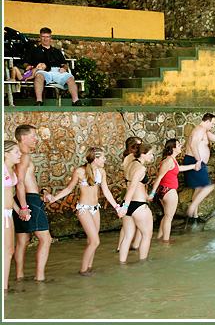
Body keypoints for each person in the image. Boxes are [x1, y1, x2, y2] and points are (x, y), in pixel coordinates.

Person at [45, 147, 125, 276]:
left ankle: (89, 267)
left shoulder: (101, 171)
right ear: (95, 159)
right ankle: (83, 270)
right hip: (83, 209)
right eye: (103, 157)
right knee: (95, 242)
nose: (105, 159)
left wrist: (117, 208)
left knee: (91, 241)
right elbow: (69, 188)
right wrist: (54, 198)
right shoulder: (80, 171)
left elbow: (106, 191)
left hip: (95, 208)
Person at [12, 125, 53, 281]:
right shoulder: (23, 156)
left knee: (23, 240)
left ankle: (19, 277)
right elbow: (20, 183)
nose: (37, 139)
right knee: (46, 239)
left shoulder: (18, 156)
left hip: (23, 198)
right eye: (34, 136)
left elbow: (25, 182)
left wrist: (43, 192)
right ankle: (40, 278)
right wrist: (24, 207)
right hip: (28, 200)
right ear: (24, 138)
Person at [182, 113, 215, 225]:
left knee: (198, 188)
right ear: (207, 121)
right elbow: (193, 145)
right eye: (212, 123)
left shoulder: (204, 131)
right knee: (209, 187)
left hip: (195, 161)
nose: (213, 126)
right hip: (194, 160)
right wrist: (198, 160)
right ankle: (191, 208)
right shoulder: (199, 130)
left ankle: (194, 217)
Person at [148, 139, 197, 242]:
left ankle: (159, 237)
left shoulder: (171, 160)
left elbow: (179, 169)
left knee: (166, 216)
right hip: (168, 191)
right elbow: (159, 177)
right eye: (178, 145)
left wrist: (194, 166)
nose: (180, 147)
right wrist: (152, 193)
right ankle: (166, 241)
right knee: (169, 218)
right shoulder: (169, 161)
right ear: (173, 148)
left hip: (163, 190)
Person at [22, 27, 84, 106]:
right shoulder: (34, 50)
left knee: (71, 78)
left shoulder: (56, 51)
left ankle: (75, 101)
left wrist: (64, 68)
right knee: (39, 76)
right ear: (40, 37)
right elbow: (26, 63)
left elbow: (64, 64)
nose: (45, 39)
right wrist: (28, 66)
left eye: (47, 37)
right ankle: (39, 101)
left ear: (50, 38)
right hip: (43, 71)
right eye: (43, 37)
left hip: (57, 71)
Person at [119, 143, 154, 263]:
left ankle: (122, 264)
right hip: (138, 205)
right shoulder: (140, 168)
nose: (152, 156)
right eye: (150, 154)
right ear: (143, 154)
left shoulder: (130, 164)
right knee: (147, 235)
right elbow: (133, 186)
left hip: (129, 204)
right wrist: (125, 206)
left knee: (127, 237)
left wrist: (125, 205)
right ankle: (143, 264)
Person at [3, 141, 23, 292]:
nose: (20, 154)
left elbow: (10, 197)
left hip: (8, 214)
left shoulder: (11, 170)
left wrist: (19, 210)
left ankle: (4, 287)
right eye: (16, 152)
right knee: (6, 251)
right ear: (6, 154)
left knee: (9, 250)